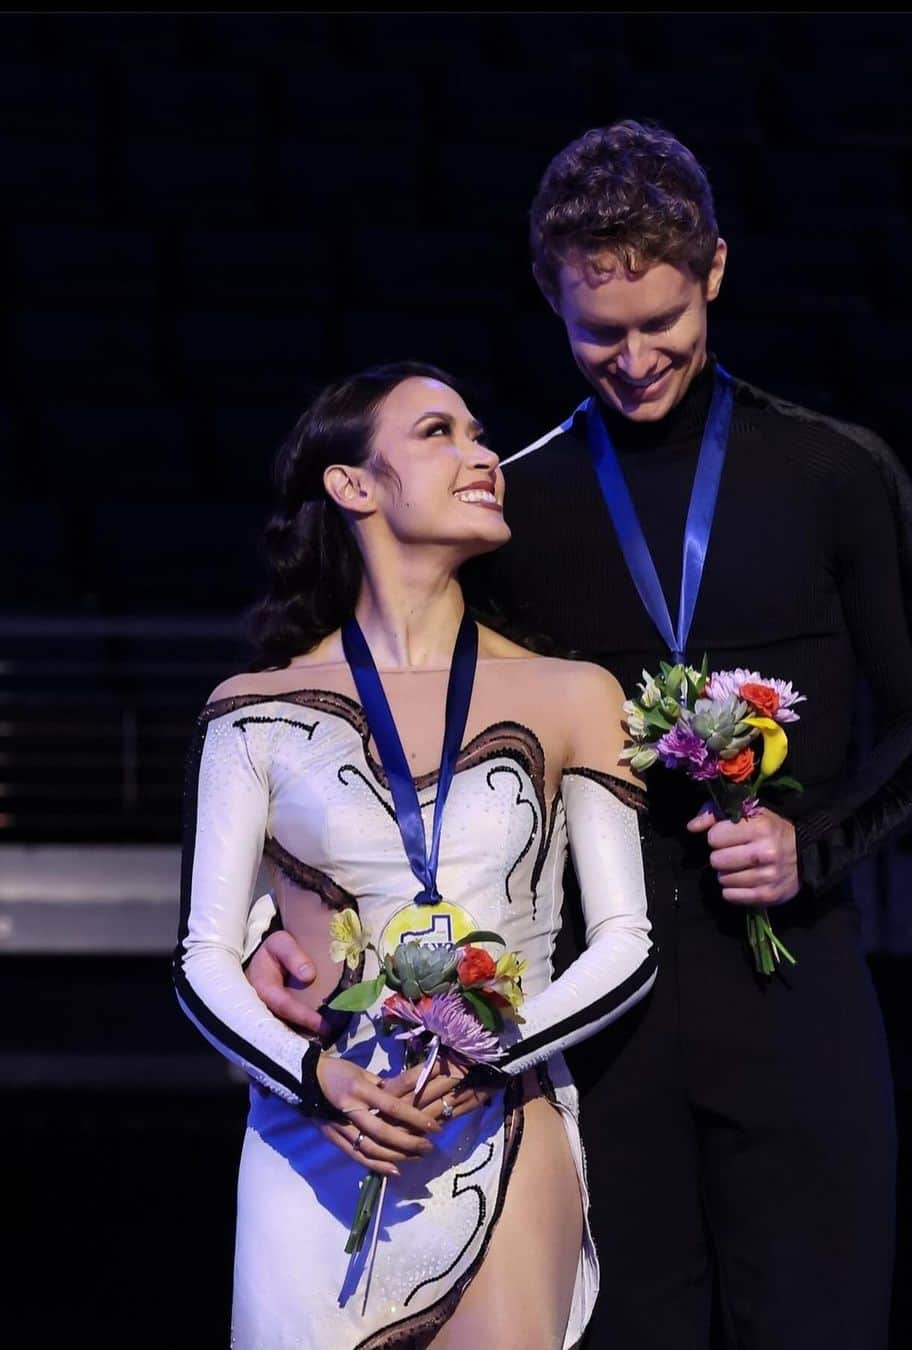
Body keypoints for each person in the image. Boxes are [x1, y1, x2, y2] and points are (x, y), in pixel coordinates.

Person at [244, 122, 912, 1349]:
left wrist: (819, 841)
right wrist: (280, 913)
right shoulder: (516, 503)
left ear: (716, 274)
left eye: (662, 322)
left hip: (795, 1001)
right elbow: (370, 685)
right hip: (598, 1022)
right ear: (551, 299)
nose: (634, 359)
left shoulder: (836, 472)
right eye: (599, 331)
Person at [172, 360, 658, 1350]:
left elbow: (628, 941)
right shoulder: (250, 710)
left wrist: (498, 1051)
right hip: (315, 1133)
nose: (482, 453)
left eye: (481, 434)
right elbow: (203, 959)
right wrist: (319, 1080)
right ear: (353, 484)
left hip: (499, 1117)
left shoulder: (577, 694)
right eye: (439, 432)